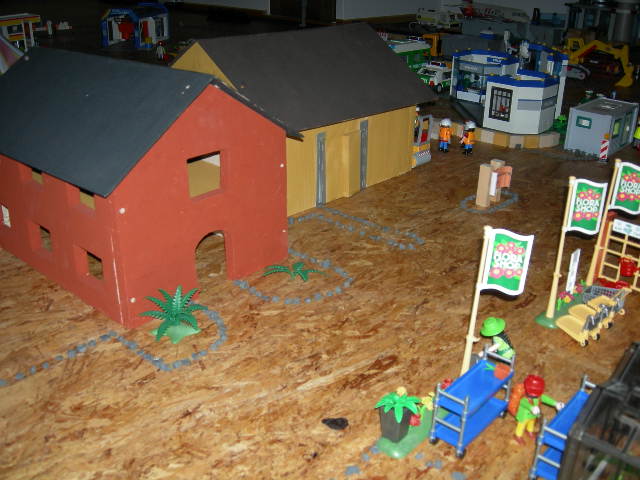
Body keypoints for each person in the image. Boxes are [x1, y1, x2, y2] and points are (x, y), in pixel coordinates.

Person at [514, 375, 564, 445]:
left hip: (533, 415)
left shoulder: (538, 396)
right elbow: (525, 404)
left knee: (531, 424)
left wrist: (555, 403)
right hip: (524, 416)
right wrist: (531, 408)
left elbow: (545, 399)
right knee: (521, 426)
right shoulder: (524, 399)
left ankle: (530, 431)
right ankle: (518, 436)